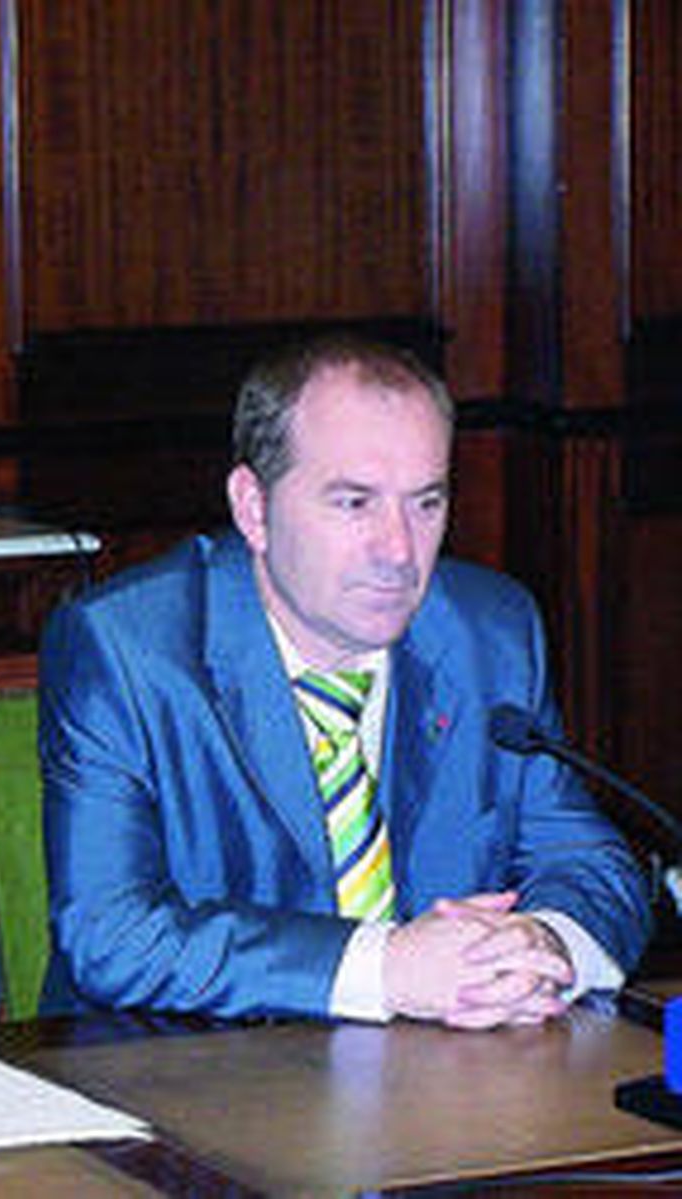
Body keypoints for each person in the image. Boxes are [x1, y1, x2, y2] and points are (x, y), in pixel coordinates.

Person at [40, 335, 650, 1029]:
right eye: (354, 503)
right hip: (186, 1080)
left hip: (449, 1091)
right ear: (253, 507)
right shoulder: (128, 647)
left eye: (426, 503)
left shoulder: (491, 632)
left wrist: (542, 941)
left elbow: (591, 863)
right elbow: (111, 935)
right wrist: (385, 968)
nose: (398, 550)